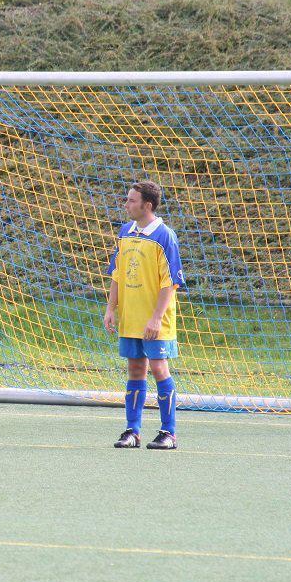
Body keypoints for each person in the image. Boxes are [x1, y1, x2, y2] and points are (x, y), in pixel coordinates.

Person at [104, 181, 185, 450]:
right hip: (131, 317)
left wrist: (156, 318)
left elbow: (170, 282)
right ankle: (132, 431)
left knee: (159, 368)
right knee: (136, 369)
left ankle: (168, 433)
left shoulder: (165, 236)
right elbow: (117, 274)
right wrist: (111, 308)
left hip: (155, 319)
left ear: (147, 205)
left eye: (131, 200)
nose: (126, 205)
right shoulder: (125, 232)